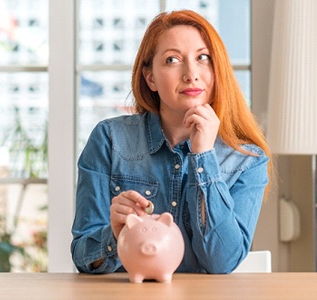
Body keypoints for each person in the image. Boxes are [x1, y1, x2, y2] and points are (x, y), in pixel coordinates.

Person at [71, 10, 272, 274]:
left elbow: (222, 263)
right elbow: (83, 256)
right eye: (173, 60)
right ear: (150, 77)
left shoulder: (247, 160)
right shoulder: (109, 139)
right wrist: (115, 236)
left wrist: (203, 157)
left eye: (203, 58)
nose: (191, 74)